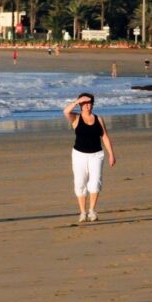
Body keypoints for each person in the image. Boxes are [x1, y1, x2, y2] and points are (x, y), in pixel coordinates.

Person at [63, 93, 116, 223]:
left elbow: (104, 136)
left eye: (90, 103)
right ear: (80, 105)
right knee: (80, 183)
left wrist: (111, 154)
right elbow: (65, 111)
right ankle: (82, 212)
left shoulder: (98, 119)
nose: (87, 106)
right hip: (79, 155)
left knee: (95, 181)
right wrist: (77, 101)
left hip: (96, 155)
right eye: (85, 103)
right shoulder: (75, 118)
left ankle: (92, 210)